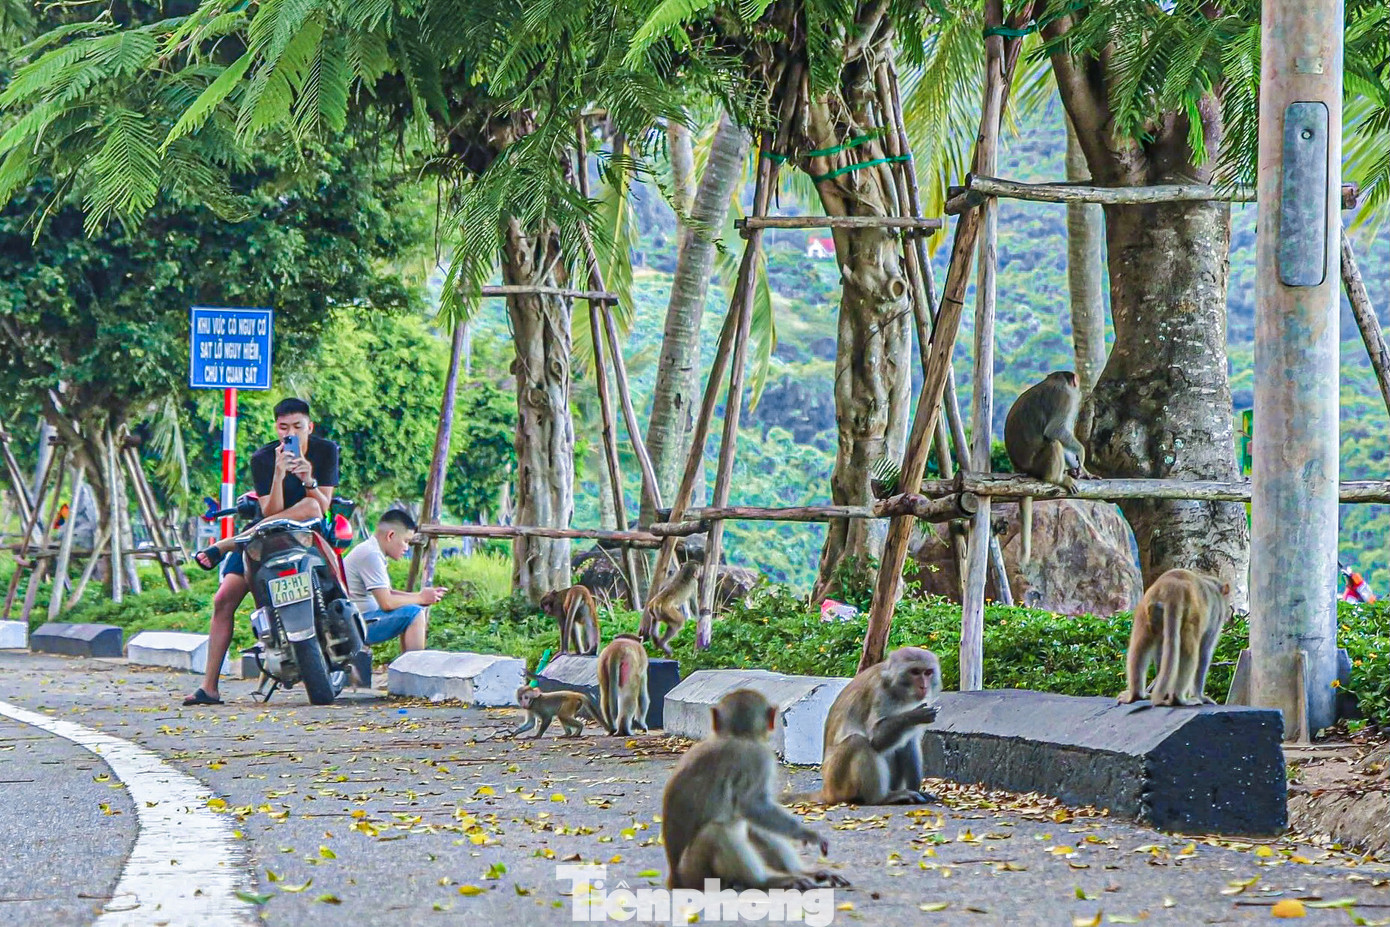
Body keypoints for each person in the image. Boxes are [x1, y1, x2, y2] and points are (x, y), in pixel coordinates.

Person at [184, 397, 340, 706]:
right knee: (223, 599)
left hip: (307, 533)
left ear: (310, 426)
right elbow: (271, 510)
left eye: (297, 426)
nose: (290, 433)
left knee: (309, 505)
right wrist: (279, 474)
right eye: (283, 427)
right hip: (263, 535)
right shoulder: (264, 458)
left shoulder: (326, 451)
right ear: (276, 428)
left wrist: (308, 478)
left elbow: (322, 507)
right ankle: (209, 687)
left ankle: (226, 544)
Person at [342, 509, 447, 651]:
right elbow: (387, 603)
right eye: (406, 541)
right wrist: (421, 598)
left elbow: (388, 593)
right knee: (414, 614)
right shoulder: (371, 555)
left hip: (357, 620)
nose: (406, 548)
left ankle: (408, 662)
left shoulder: (371, 550)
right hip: (355, 626)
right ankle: (414, 664)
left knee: (412, 610)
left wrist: (421, 596)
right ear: (390, 535)